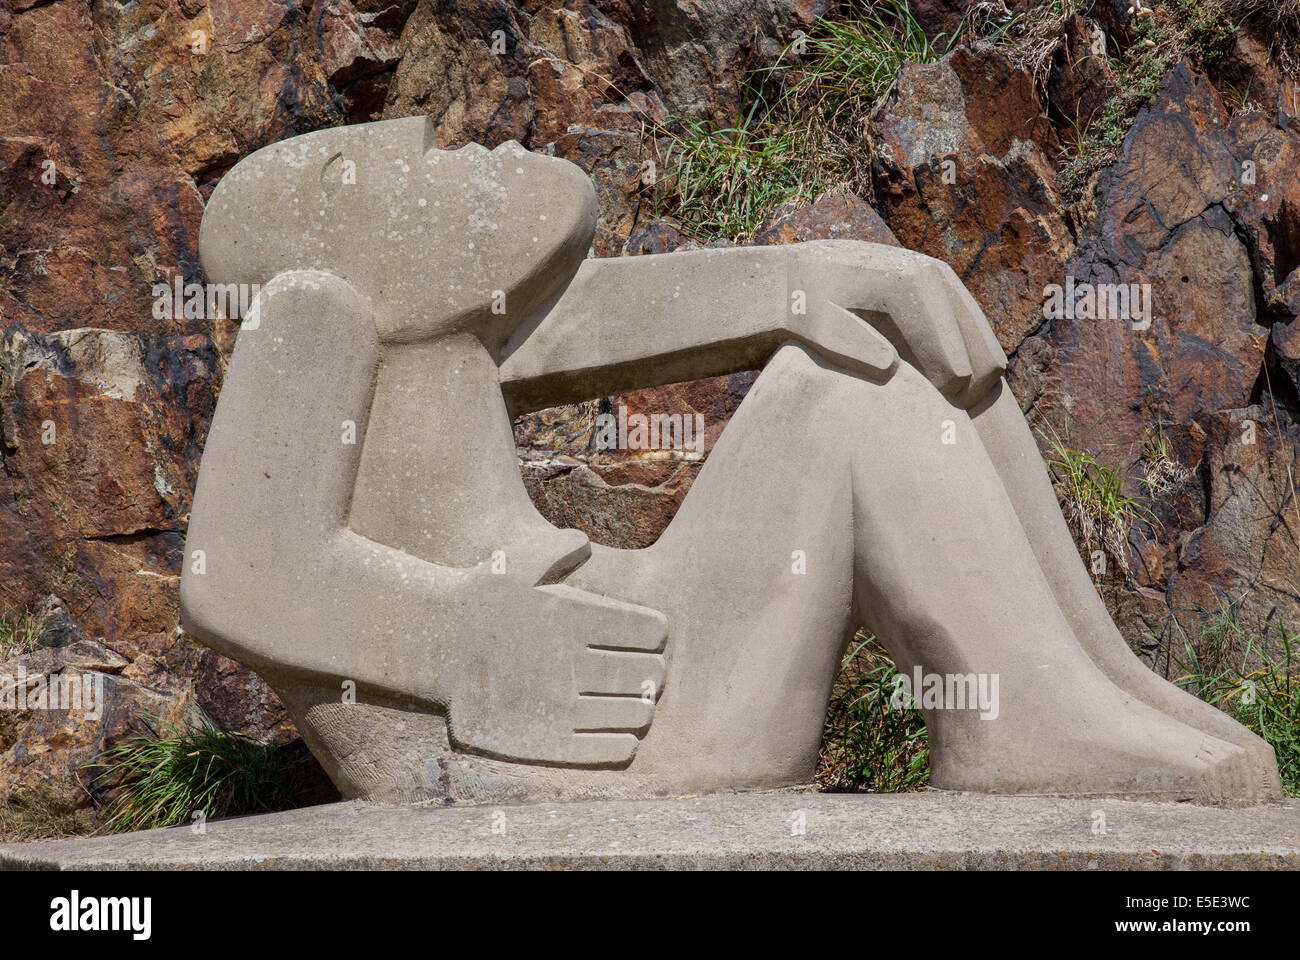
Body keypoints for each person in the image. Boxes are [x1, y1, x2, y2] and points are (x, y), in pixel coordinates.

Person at [181, 116, 1280, 803]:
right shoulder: (315, 309)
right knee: (839, 395)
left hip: (633, 683)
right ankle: (1026, 718)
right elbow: (235, 573)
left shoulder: (439, 331)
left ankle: (1085, 685)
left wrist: (810, 278)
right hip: (572, 728)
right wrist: (468, 644)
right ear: (342, 214)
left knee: (873, 344)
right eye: (436, 157)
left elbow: (586, 318)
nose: (484, 148)